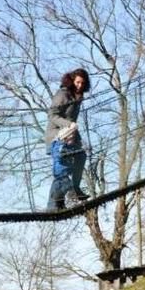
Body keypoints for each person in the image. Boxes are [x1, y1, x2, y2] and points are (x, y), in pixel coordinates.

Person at [46, 69, 90, 210]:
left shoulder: (78, 96)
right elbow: (52, 115)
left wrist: (75, 135)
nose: (80, 85)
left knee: (81, 156)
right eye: (77, 82)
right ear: (72, 81)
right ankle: (55, 205)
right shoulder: (62, 94)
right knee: (62, 173)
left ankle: (73, 190)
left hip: (71, 136)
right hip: (57, 136)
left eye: (83, 83)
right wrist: (68, 124)